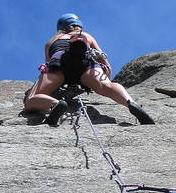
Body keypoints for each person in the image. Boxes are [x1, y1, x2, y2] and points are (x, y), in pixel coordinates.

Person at [24, 13, 155, 126]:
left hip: (59, 65)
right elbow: (101, 57)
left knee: (31, 100)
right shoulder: (85, 35)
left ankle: (56, 104)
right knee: (106, 86)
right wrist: (105, 73)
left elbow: (48, 62)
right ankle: (130, 102)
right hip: (86, 64)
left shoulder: (52, 41)